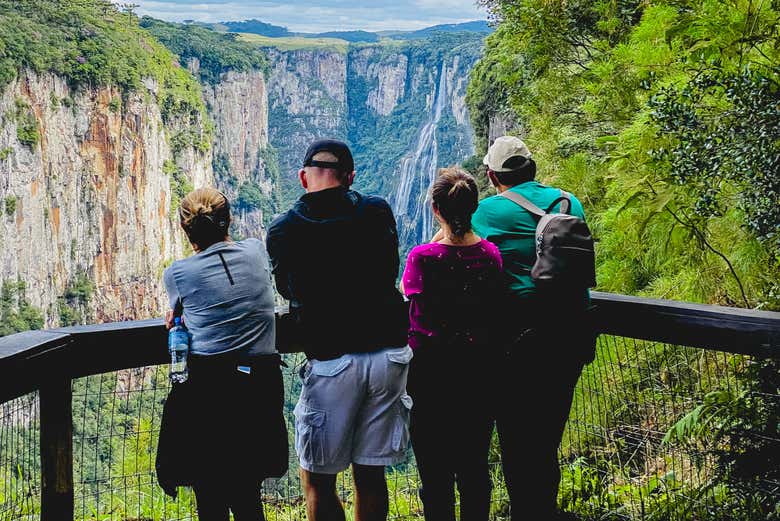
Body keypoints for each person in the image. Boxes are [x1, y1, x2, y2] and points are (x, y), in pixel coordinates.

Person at [266, 139, 411, 521]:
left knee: (317, 478)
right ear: (350, 177)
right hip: (388, 356)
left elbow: (286, 289)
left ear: (302, 177)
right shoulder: (378, 211)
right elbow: (389, 271)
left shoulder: (284, 228)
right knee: (370, 474)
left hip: (332, 361)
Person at [471, 136, 595, 520]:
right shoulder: (567, 202)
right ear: (532, 168)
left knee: (516, 437)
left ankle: (529, 511)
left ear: (492, 175)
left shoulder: (487, 212)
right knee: (546, 435)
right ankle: (543, 509)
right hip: (570, 333)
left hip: (518, 341)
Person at [156, 188, 288, 521]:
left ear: (186, 230)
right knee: (247, 492)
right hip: (260, 387)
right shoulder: (256, 251)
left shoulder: (178, 274)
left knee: (210, 493)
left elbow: (178, 315)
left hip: (210, 394)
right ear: (228, 220)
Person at [402, 168, 504, 521]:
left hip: (430, 377)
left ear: (436, 209)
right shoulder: (491, 255)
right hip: (478, 373)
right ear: (474, 207)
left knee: (435, 475)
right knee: (475, 468)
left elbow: (411, 298)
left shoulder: (422, 257)